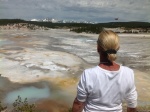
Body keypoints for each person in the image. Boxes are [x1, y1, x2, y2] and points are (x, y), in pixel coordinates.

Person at [72, 30, 137, 112]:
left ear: (98, 48)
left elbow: (78, 104)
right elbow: (132, 105)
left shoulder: (88, 74)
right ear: (118, 48)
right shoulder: (128, 73)